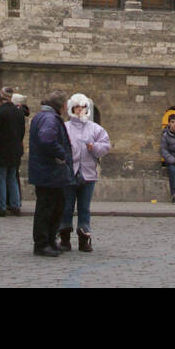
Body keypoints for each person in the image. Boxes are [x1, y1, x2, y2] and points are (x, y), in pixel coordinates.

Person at [59, 93, 111, 252]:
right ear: (71, 109)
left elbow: (106, 146)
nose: (80, 110)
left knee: (84, 208)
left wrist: (93, 147)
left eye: (82, 107)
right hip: (69, 173)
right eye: (76, 108)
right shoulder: (65, 127)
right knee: (66, 207)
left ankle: (84, 238)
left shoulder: (95, 128)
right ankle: (64, 238)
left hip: (88, 173)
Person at [28, 90, 73, 256]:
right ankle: (41, 243)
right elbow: (47, 139)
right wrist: (62, 154)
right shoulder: (49, 119)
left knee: (56, 206)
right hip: (49, 171)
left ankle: (50, 240)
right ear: (61, 105)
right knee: (46, 208)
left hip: (48, 171)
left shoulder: (43, 116)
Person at [0, 86, 26, 216]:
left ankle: (2, 205)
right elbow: (22, 132)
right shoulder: (18, 112)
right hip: (15, 150)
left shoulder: (0, 112)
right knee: (12, 178)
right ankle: (15, 205)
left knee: (1, 178)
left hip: (2, 150)